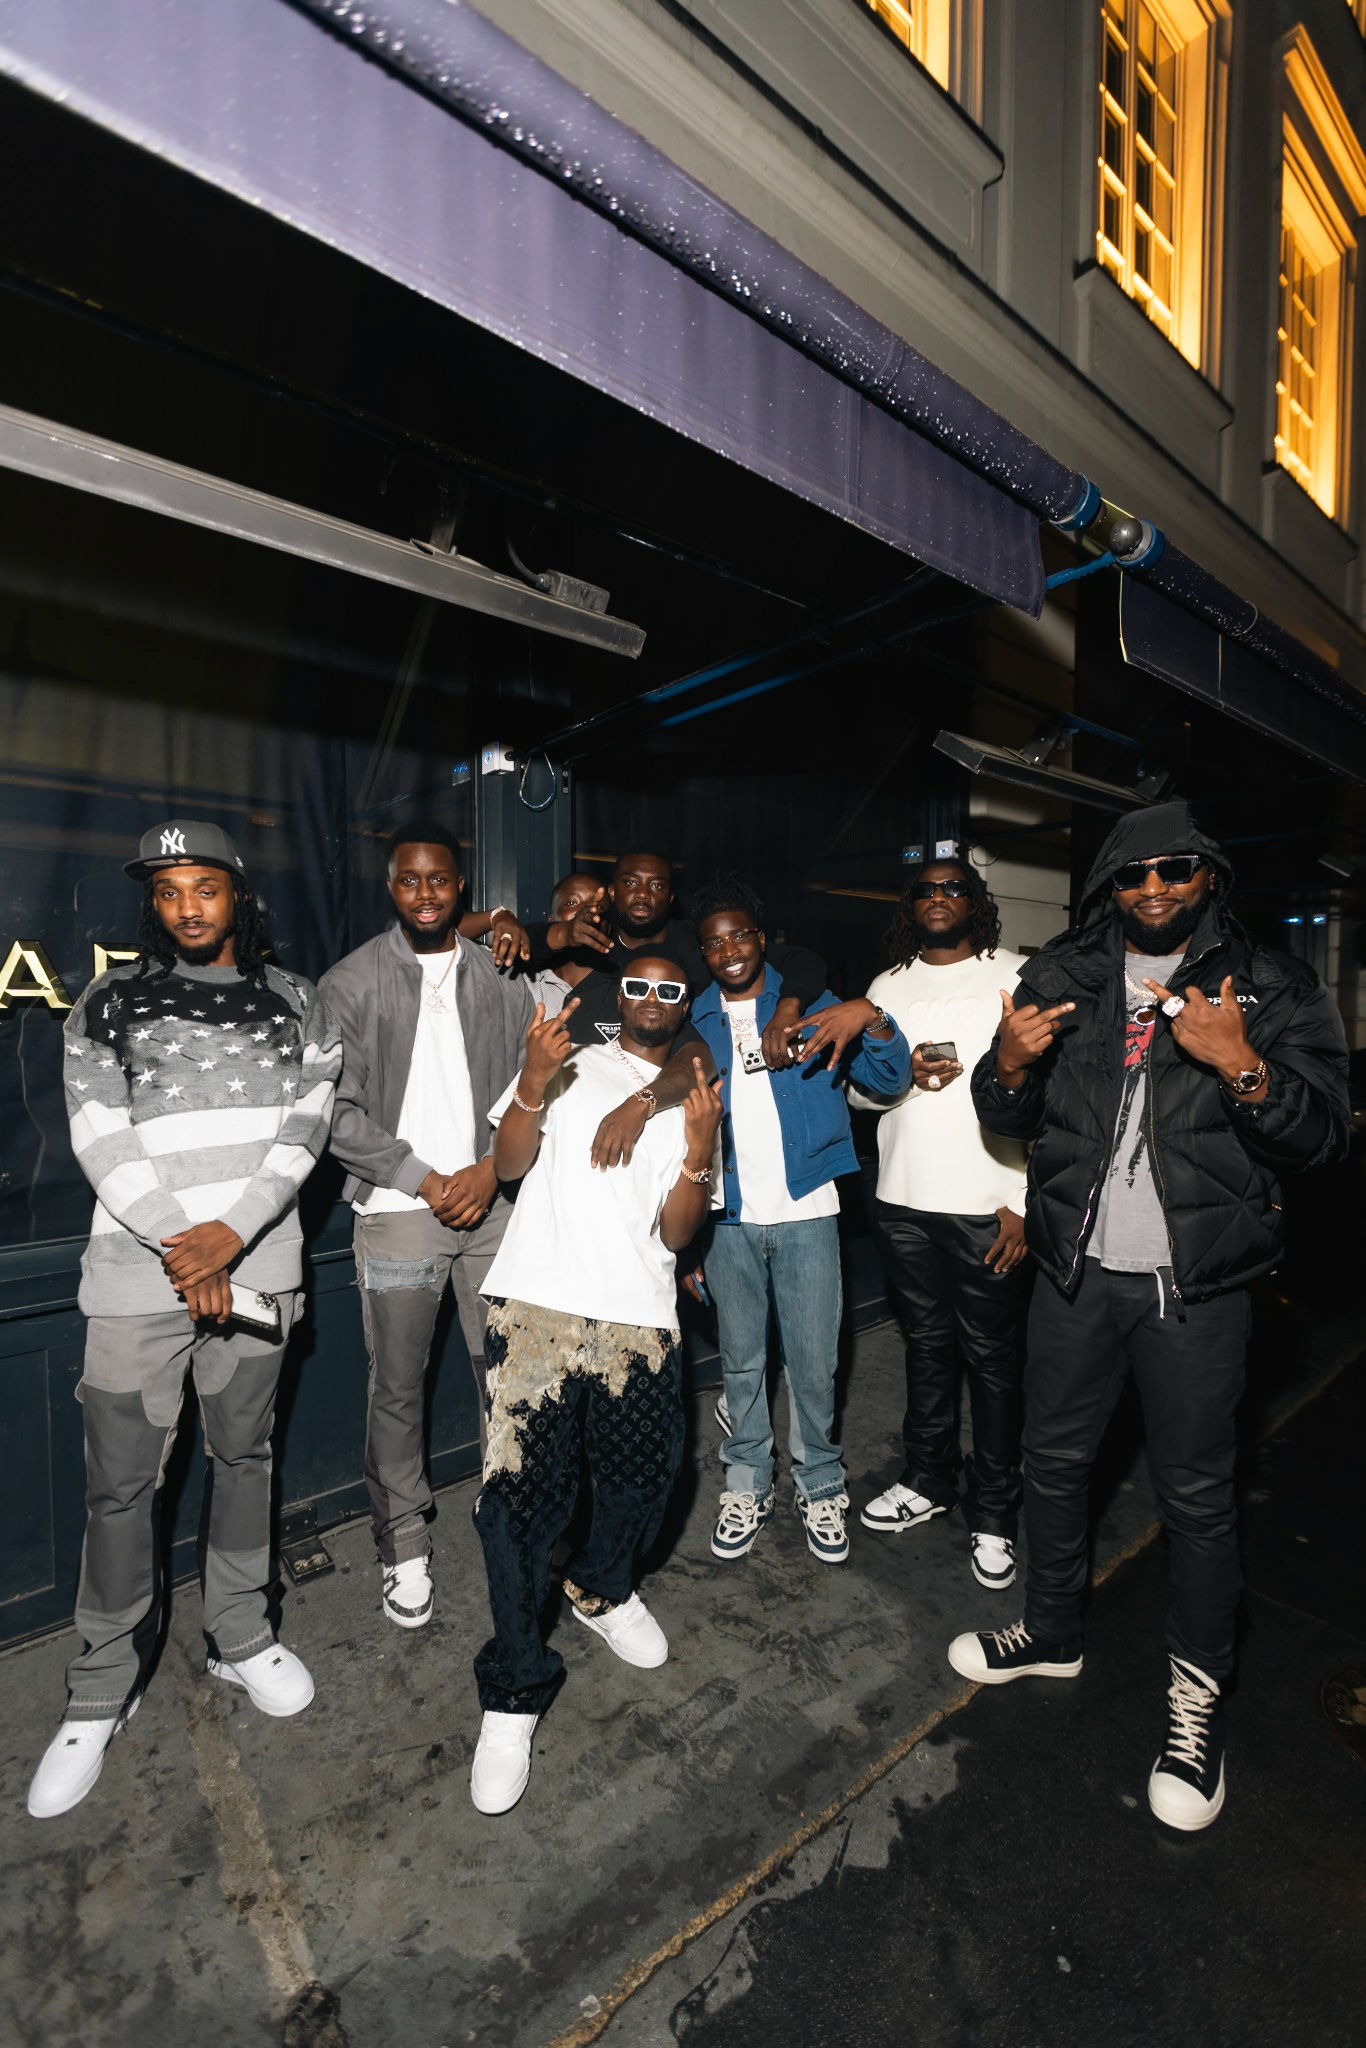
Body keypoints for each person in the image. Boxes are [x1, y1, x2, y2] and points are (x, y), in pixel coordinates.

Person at [948, 801, 1349, 1832]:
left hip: (1193, 1289)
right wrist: (1006, 1065)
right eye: (1133, 873)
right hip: (1075, 1275)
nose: (1155, 887)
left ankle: (1196, 1701)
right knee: (1051, 1463)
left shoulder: (1268, 985)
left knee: (1198, 1501)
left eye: (1176, 868)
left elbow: (1321, 1142)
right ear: (1108, 887)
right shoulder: (1064, 973)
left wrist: (1240, 1064)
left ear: (1209, 875)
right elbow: (1007, 1116)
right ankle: (1050, 1629)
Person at [28, 820, 341, 1820]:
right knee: (121, 1488)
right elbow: (97, 1132)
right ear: (152, 905)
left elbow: (308, 1126)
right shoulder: (107, 1002)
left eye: (205, 887)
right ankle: (101, 1682)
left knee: (245, 1458)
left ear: (237, 894)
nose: (187, 907)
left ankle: (239, 1633)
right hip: (138, 1279)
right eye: (168, 892)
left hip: (258, 1267)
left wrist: (231, 1235)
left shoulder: (298, 999)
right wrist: (182, 1243)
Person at [468, 959, 722, 1815]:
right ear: (621, 996)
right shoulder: (570, 1059)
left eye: (670, 989)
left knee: (645, 1477)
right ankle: (515, 1684)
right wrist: (532, 1082)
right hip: (536, 1306)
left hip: (639, 1316)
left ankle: (602, 1587)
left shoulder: (695, 1092)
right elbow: (509, 1165)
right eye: (639, 985)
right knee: (520, 1503)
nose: (652, 999)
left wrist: (699, 1151)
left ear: (686, 1005)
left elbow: (678, 1234)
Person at [320, 822, 536, 1633]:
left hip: (492, 1208)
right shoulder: (349, 983)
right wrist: (423, 1177)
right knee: (398, 1388)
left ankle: (512, 1514)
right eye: (409, 880)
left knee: (508, 1377)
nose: (424, 893)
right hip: (399, 1212)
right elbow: (333, 1112)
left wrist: (487, 1172)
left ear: (460, 886)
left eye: (439, 879)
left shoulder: (503, 975)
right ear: (390, 887)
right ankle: (404, 1543)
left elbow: (533, 1088)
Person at [687, 879, 909, 1565]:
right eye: (714, 942)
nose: (729, 949)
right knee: (742, 1363)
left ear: (762, 939)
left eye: (740, 935)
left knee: (814, 1363)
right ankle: (747, 1480)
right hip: (726, 1219)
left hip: (809, 1208)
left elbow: (890, 1078)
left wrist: (873, 1018)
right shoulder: (694, 1020)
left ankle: (821, 1484)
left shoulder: (813, 1003)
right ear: (704, 953)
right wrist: (687, 1240)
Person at [853, 857, 1030, 1592]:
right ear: (910, 904)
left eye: (953, 887)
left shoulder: (1016, 974)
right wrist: (902, 1084)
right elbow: (861, 1094)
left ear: (975, 901)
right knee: (926, 1346)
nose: (938, 898)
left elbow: (1050, 1094)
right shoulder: (886, 986)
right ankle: (928, 1478)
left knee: (991, 1359)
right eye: (925, 889)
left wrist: (1024, 1198)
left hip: (989, 1205)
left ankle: (994, 1510)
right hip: (901, 1199)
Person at [526, 847, 878, 1169]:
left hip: (681, 1115)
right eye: (631, 883)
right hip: (597, 1116)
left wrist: (788, 1006)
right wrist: (550, 931)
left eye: (656, 885)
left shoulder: (697, 942)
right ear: (613, 892)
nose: (643, 894)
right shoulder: (597, 948)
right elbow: (525, 945)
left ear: (671, 898)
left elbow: (800, 959)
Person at [530, 872, 603, 1017]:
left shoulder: (622, 987)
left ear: (609, 926)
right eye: (571, 903)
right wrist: (495, 916)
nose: (585, 912)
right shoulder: (530, 983)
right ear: (551, 922)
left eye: (598, 906)